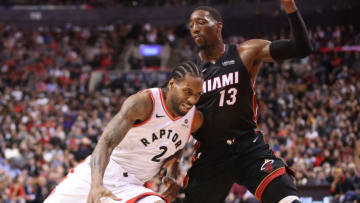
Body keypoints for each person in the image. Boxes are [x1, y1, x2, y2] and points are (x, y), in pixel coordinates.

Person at [185, 0, 312, 203]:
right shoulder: (188, 73)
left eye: (201, 22)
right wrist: (171, 166)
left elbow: (301, 48)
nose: (194, 29)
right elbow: (172, 118)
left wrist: (290, 7)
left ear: (218, 25)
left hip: (248, 146)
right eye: (191, 25)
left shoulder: (246, 52)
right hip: (210, 153)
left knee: (288, 200)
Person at [44, 61, 204, 203]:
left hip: (131, 186)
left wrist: (172, 172)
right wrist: (96, 184)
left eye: (198, 94)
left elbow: (177, 146)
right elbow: (105, 143)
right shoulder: (144, 103)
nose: (192, 100)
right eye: (187, 92)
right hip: (99, 174)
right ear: (171, 84)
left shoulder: (194, 119)